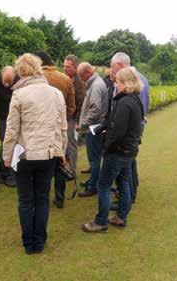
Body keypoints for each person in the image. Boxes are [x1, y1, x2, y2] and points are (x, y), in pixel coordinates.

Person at [2, 53, 68, 255]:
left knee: (25, 200)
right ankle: (39, 241)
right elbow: (62, 127)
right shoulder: (56, 93)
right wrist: (62, 152)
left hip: (24, 156)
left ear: (21, 72)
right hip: (47, 155)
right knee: (41, 198)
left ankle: (28, 243)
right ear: (38, 69)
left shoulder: (19, 95)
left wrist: (6, 156)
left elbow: (11, 130)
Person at [82, 67, 144, 232]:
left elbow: (117, 131)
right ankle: (121, 216)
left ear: (125, 83)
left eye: (117, 82)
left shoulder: (125, 102)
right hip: (129, 150)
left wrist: (106, 146)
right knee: (123, 182)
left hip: (118, 151)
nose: (115, 85)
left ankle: (101, 221)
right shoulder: (134, 99)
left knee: (103, 185)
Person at [34, 51, 76, 208]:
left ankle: (41, 197)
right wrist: (62, 120)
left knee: (41, 164)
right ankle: (59, 198)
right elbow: (72, 106)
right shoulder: (65, 78)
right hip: (59, 127)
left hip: (39, 128)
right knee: (60, 162)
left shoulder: (35, 78)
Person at [108, 52, 149, 206]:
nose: (111, 69)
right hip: (131, 129)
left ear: (121, 65)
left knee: (128, 163)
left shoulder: (136, 81)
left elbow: (138, 111)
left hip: (130, 131)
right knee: (129, 163)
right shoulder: (135, 78)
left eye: (113, 66)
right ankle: (128, 193)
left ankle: (129, 197)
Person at [77, 62, 108, 197]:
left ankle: (93, 187)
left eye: (81, 75)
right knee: (94, 158)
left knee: (94, 159)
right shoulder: (96, 82)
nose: (80, 78)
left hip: (94, 128)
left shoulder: (95, 86)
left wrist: (83, 124)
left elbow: (95, 110)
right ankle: (93, 181)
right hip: (95, 127)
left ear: (87, 73)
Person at [63, 54, 86, 176]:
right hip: (64, 117)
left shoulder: (79, 82)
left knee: (72, 144)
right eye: (64, 66)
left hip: (73, 119)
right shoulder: (64, 78)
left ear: (75, 67)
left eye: (68, 67)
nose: (65, 69)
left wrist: (77, 122)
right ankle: (64, 167)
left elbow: (82, 104)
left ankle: (71, 170)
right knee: (64, 143)